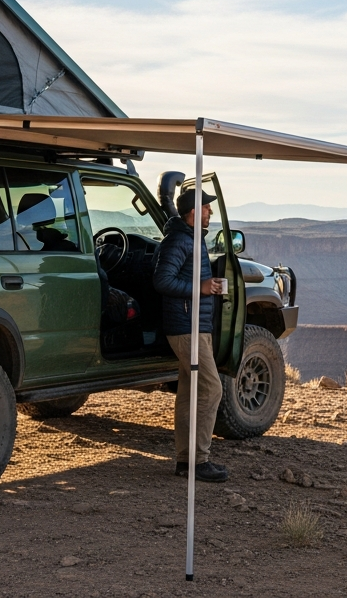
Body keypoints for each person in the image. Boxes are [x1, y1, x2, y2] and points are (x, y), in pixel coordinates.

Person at [152, 188, 229, 483]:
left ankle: (185, 462)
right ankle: (199, 461)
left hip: (195, 326)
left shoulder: (191, 239)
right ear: (194, 212)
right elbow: (162, 280)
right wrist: (202, 288)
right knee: (212, 389)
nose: (211, 212)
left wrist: (208, 285)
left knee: (189, 394)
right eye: (207, 208)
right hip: (186, 328)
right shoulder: (180, 240)